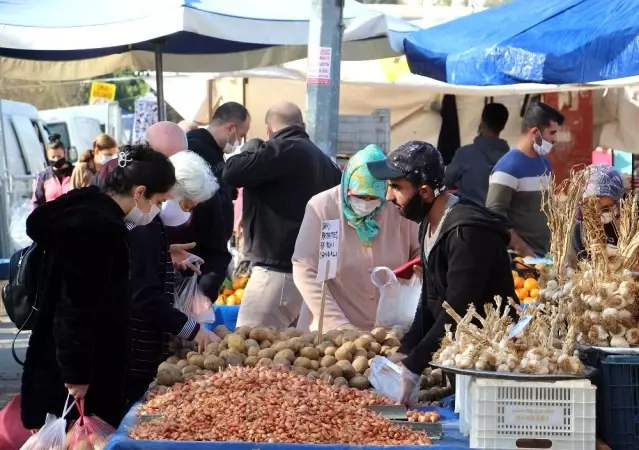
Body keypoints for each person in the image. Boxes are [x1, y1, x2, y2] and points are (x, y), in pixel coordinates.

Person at [21, 145, 177, 430]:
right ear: (139, 192)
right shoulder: (97, 229)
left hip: (75, 361)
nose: (158, 210)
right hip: (78, 372)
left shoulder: (91, 215)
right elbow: (74, 306)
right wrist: (77, 374)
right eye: (160, 201)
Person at [367, 140, 515, 403]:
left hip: (493, 361)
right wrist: (406, 350)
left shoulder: (465, 233)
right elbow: (431, 300)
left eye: (397, 187)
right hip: (464, 356)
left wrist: (414, 366)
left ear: (424, 192)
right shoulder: (428, 224)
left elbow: (458, 309)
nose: (389, 197)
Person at [224, 102, 341, 328]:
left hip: (276, 271)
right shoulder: (326, 162)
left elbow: (232, 172)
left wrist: (252, 146)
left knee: (249, 348)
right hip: (310, 273)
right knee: (289, 357)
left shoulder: (280, 150)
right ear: (303, 125)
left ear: (269, 130)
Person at [293, 145, 420, 331]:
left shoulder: (396, 207)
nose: (367, 203)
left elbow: (418, 253)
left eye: (374, 198)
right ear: (347, 185)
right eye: (360, 196)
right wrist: (338, 325)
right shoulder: (323, 207)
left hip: (387, 332)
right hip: (328, 333)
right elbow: (305, 269)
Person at [127, 150, 219, 405]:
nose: (187, 214)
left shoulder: (150, 222)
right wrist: (193, 330)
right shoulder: (141, 225)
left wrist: (167, 254)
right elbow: (145, 298)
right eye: (186, 206)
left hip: (143, 344)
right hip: (135, 346)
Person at [174, 102, 251, 300]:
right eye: (241, 135)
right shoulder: (193, 148)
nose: (240, 141)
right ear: (230, 128)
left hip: (211, 253)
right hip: (193, 254)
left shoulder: (216, 153)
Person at [486, 102, 564, 257]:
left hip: (546, 257)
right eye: (552, 132)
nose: (555, 139)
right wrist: (525, 253)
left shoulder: (545, 164)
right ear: (535, 132)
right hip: (521, 264)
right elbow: (494, 216)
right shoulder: (507, 168)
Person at [443, 103, 510, 204]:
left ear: (482, 122)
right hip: (500, 217)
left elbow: (446, 182)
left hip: (468, 216)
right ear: (503, 126)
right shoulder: (511, 158)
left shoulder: (465, 154)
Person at [573, 164, 624, 261]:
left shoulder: (627, 227)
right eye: (592, 207)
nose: (598, 213)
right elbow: (580, 262)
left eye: (606, 208)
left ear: (617, 203)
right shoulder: (579, 229)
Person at [30, 134, 74, 211]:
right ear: (48, 157)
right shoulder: (43, 176)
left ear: (64, 154)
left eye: (59, 156)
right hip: (50, 219)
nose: (56, 159)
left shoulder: (75, 172)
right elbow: (36, 201)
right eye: (53, 157)